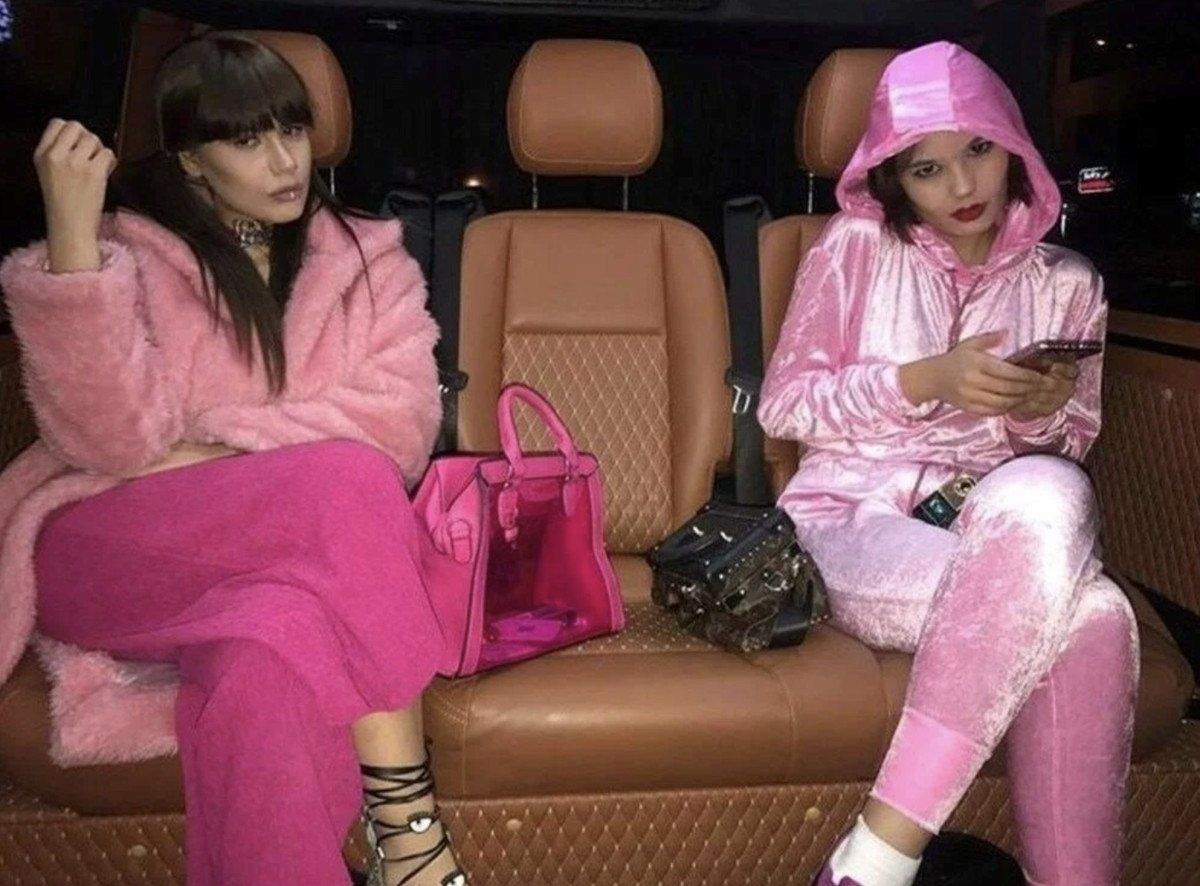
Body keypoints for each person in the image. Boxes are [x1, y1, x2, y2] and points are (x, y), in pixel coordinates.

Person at [0, 32, 467, 886]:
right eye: (248, 140)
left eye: (293, 130)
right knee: (344, 480)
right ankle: (409, 830)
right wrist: (71, 245)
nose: (286, 161)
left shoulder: (368, 260)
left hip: (273, 578)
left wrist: (202, 449)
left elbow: (400, 427)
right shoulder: (130, 253)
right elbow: (110, 447)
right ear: (190, 159)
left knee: (268, 659)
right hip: (109, 551)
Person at [757, 42, 1137, 886]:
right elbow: (785, 407)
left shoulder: (1069, 283)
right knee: (1093, 616)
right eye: (927, 169)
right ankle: (883, 856)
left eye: (978, 150)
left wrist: (1035, 414)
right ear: (896, 178)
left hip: (996, 516)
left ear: (1014, 145)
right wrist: (923, 381)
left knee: (1049, 486)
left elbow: (1071, 443)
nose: (962, 185)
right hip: (852, 511)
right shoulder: (855, 248)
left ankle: (874, 860)